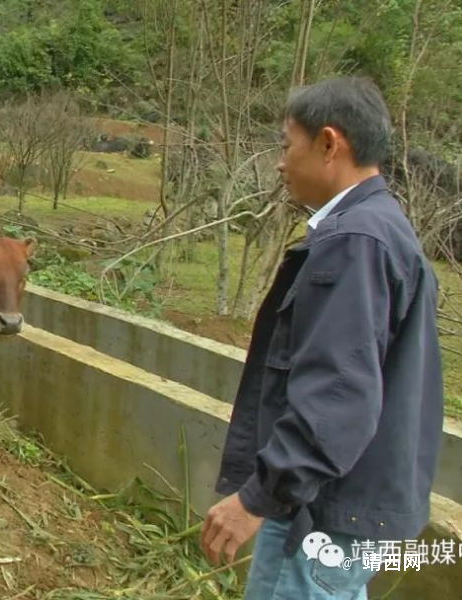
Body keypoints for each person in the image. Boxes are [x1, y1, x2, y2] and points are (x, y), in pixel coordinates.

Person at [200, 76, 444, 599]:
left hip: (321, 517)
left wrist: (257, 497)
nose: (280, 163)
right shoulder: (378, 226)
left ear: (330, 143)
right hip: (343, 508)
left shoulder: (356, 243)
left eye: (287, 146)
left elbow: (337, 396)